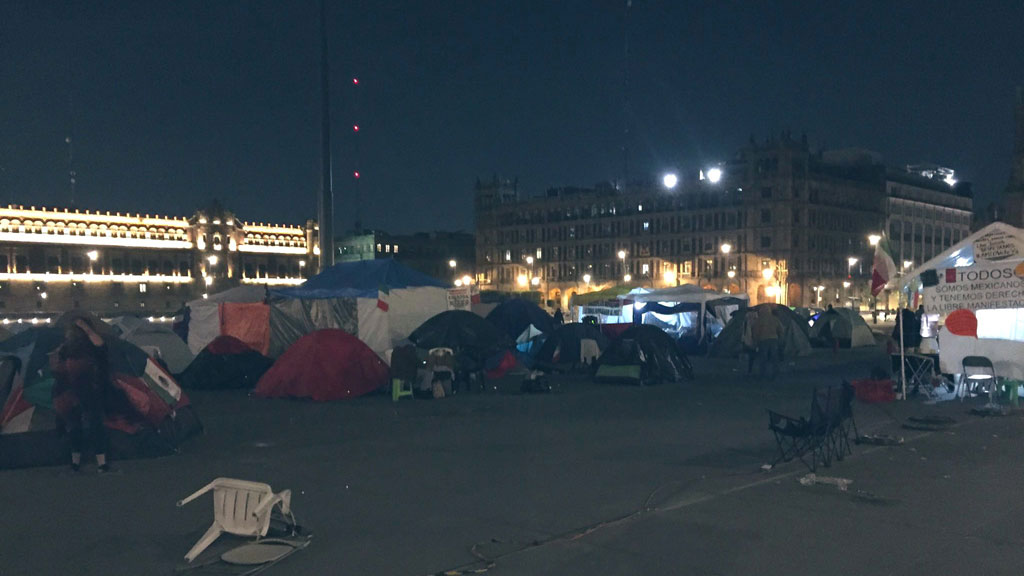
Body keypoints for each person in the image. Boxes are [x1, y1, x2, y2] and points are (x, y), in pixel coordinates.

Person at [52, 318, 111, 473]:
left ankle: (78, 464)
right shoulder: (69, 348)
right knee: (82, 427)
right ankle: (96, 464)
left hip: (82, 391)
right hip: (81, 391)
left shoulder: (84, 346)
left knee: (88, 427)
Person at [751, 306, 783, 379]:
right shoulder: (775, 319)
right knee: (774, 357)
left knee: (763, 358)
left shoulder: (759, 320)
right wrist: (780, 339)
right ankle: (775, 373)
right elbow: (781, 330)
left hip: (763, 340)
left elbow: (755, 331)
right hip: (774, 340)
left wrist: (755, 341)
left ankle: (762, 374)